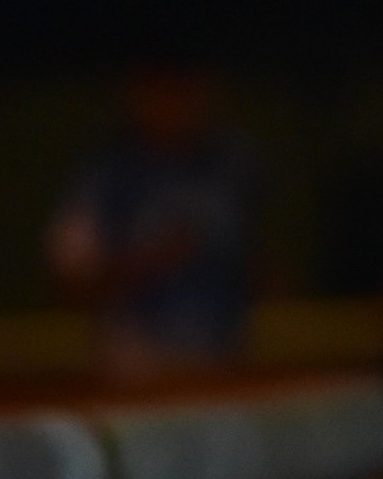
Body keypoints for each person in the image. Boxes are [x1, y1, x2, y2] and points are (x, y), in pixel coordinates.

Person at [46, 66, 262, 382]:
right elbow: (70, 285)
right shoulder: (106, 176)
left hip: (222, 363)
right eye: (162, 91)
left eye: (186, 90)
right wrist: (147, 261)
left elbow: (252, 265)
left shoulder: (231, 167)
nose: (175, 105)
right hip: (136, 368)